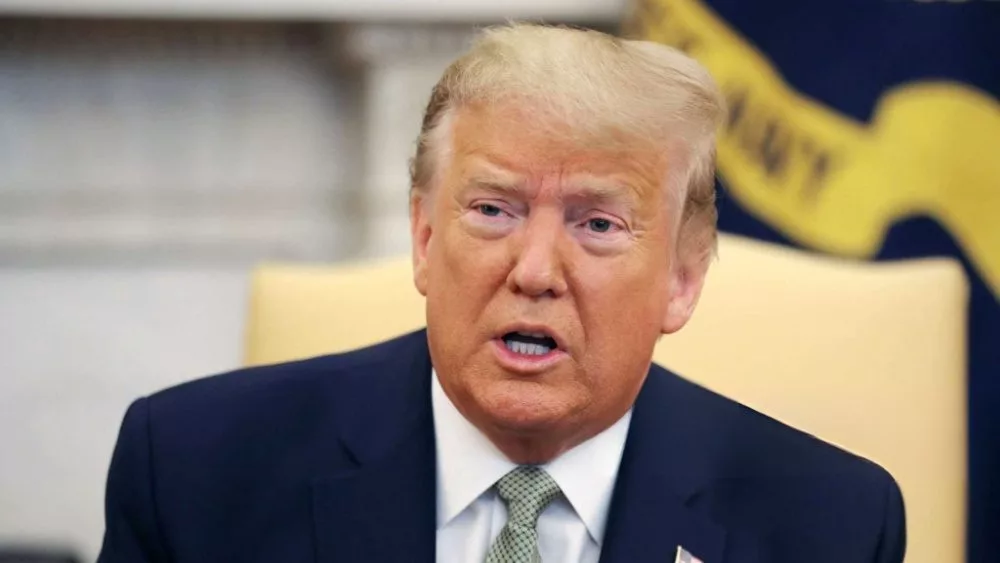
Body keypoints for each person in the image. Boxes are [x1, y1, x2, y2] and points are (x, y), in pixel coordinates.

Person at [97, 23, 905, 563]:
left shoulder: (827, 525)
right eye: (493, 210)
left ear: (682, 281)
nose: (535, 270)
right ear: (422, 237)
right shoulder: (192, 472)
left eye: (596, 223)